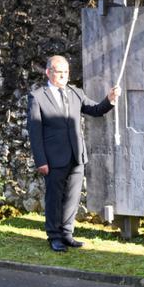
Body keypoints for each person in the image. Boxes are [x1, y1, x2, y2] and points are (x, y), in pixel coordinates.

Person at [26, 55, 118, 252]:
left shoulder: (75, 93)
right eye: (59, 72)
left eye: (66, 72)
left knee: (73, 198)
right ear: (48, 72)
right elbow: (35, 132)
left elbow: (95, 109)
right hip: (53, 158)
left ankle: (67, 234)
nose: (63, 76)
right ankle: (54, 236)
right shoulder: (37, 97)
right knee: (54, 199)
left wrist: (109, 99)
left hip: (77, 156)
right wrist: (41, 160)